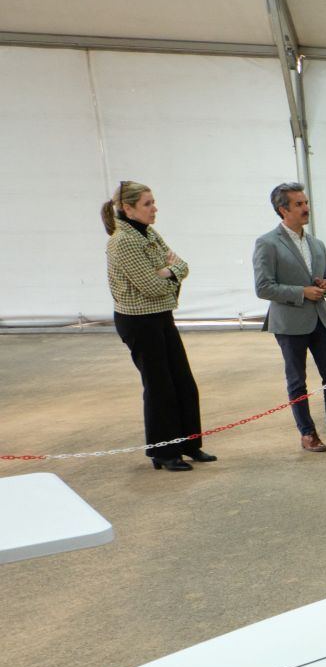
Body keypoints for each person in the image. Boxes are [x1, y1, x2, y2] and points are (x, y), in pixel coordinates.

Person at [102, 180, 214, 472]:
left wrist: (169, 271)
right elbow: (151, 286)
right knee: (159, 386)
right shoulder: (123, 242)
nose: (154, 209)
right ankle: (164, 452)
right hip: (139, 321)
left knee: (183, 381)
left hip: (161, 315)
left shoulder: (148, 232)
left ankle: (189, 444)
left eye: (153, 202)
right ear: (128, 209)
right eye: (147, 204)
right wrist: (168, 273)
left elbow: (182, 265)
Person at [253, 182, 326, 453]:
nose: (306, 208)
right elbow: (263, 287)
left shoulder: (317, 244)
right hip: (289, 323)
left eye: (306, 203)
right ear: (283, 210)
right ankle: (307, 434)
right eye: (299, 204)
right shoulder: (267, 243)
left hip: (321, 320)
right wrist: (301, 292)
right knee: (297, 381)